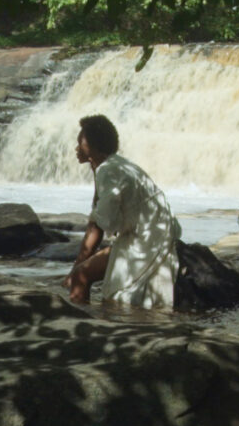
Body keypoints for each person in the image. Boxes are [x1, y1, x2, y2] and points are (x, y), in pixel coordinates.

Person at [63, 115, 181, 308]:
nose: (76, 149)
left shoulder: (107, 170)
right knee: (82, 272)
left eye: (80, 144)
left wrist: (75, 270)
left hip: (143, 241)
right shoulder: (117, 164)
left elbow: (102, 224)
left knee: (80, 276)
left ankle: (79, 319)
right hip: (156, 233)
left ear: (95, 147)